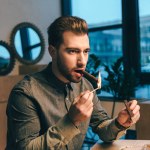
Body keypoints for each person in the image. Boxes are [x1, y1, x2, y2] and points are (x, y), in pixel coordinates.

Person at [6, 16, 140, 150]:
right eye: (73, 51)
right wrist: (71, 121)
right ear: (53, 52)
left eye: (85, 51)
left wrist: (119, 122)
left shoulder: (85, 85)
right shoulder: (25, 93)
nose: (82, 61)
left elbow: (102, 128)